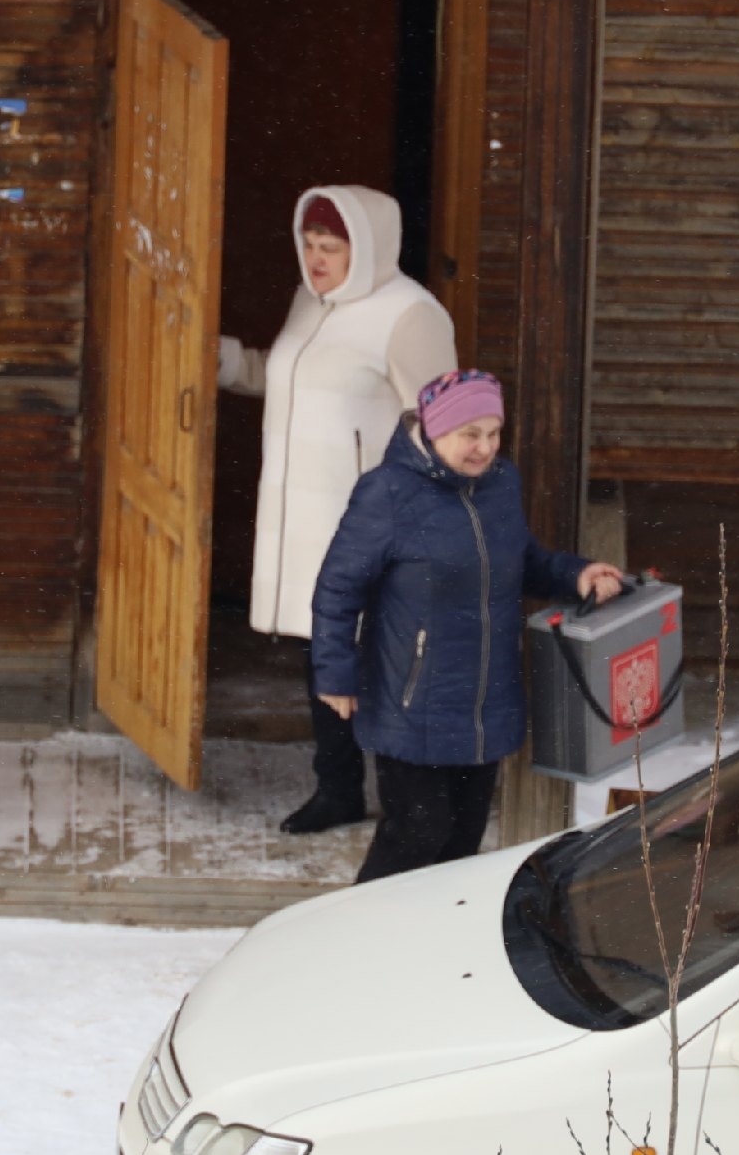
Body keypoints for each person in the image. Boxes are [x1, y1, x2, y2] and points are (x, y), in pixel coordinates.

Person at [310, 369, 626, 883]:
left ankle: (435, 948)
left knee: (462, 838)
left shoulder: (501, 483)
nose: (485, 448)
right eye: (470, 435)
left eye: (493, 433)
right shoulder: (388, 493)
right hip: (413, 699)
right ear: (434, 432)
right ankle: (364, 941)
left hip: (485, 699)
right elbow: (337, 590)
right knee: (416, 835)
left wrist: (577, 573)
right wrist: (335, 674)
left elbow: (522, 561)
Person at [218, 185, 457, 835]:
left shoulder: (410, 314)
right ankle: (339, 789)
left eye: (332, 247)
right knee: (330, 653)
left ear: (371, 246)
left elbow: (446, 425)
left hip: (371, 522)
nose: (316, 258)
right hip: (306, 520)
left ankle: (414, 801)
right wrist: (222, 360)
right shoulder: (310, 301)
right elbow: (287, 375)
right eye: (309, 243)